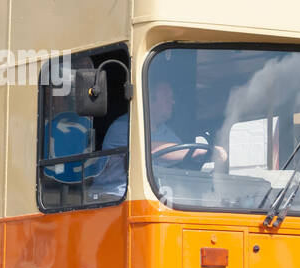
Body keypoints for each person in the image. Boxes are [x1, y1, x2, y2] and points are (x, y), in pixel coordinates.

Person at [92, 79, 227, 199]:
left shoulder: (167, 132)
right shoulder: (124, 126)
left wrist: (206, 156)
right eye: (167, 97)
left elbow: (181, 153)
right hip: (114, 197)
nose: (172, 102)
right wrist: (197, 150)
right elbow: (148, 149)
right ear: (150, 99)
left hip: (155, 196)